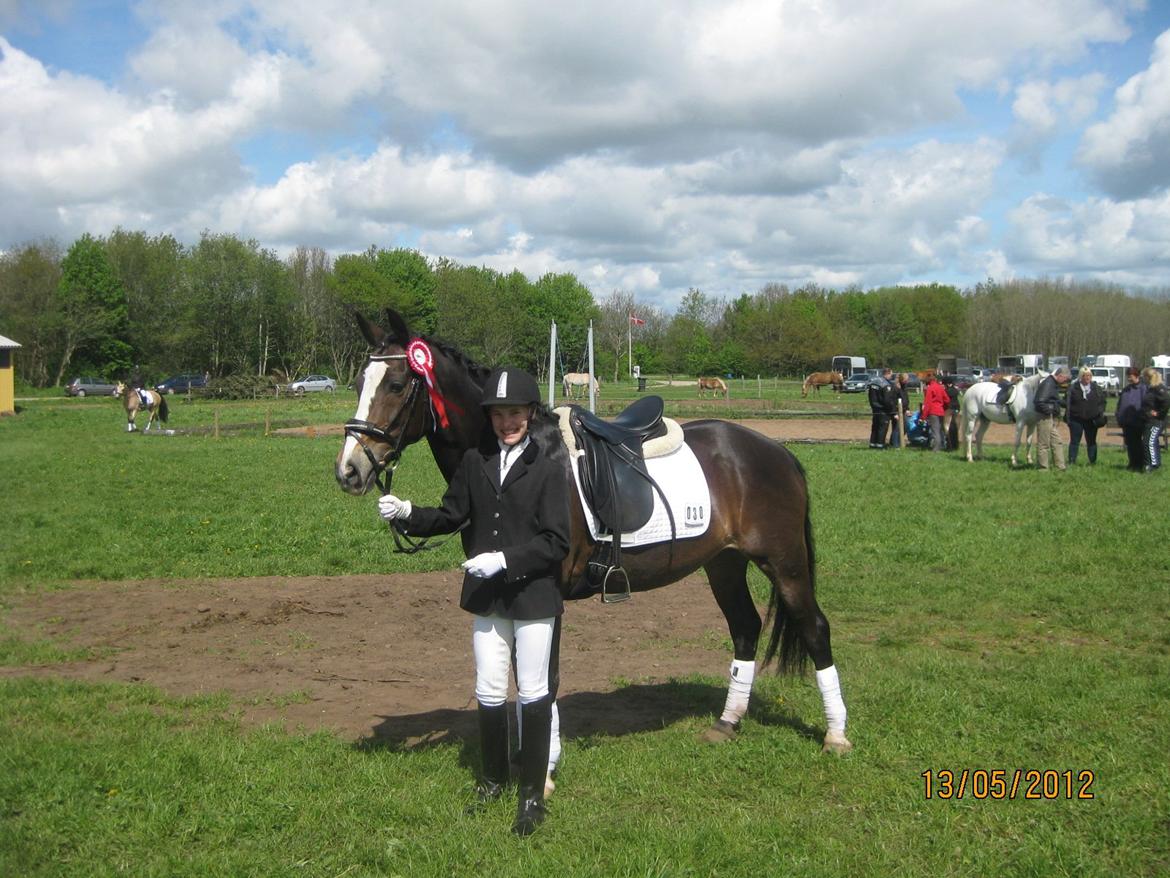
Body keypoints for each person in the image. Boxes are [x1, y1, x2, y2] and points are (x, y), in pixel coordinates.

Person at [377, 366, 571, 836]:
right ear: (490, 417)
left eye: (516, 413)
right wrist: (407, 514)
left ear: (530, 414)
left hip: (532, 597)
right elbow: (451, 515)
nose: (507, 422)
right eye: (499, 414)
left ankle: (531, 798)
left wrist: (504, 560)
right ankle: (491, 782)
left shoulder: (547, 467)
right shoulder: (472, 462)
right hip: (486, 597)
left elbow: (556, 541)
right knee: (487, 688)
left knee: (532, 690)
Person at [1066, 367, 1106, 465]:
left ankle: (1092, 462)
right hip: (1076, 420)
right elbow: (1067, 402)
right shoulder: (1073, 388)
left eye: (1089, 375)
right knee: (1074, 442)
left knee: (1091, 442)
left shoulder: (1096, 388)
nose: (1087, 378)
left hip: (1092, 420)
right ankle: (1072, 461)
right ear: (1080, 376)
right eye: (1085, 375)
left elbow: (1103, 402)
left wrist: (1099, 412)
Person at [1033, 366, 1071, 471]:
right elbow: (1039, 401)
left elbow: (1054, 400)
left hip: (1050, 417)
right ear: (1060, 375)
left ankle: (1060, 467)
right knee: (1043, 444)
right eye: (1065, 378)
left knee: (1057, 442)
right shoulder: (1048, 384)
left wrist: (1063, 404)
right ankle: (1043, 468)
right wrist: (1049, 412)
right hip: (1044, 417)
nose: (1065, 381)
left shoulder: (1053, 384)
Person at [1115, 367, 1146, 472]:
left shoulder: (1143, 389)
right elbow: (1120, 404)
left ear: (1136, 376)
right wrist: (1119, 415)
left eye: (1130, 376)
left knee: (1137, 444)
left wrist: (1141, 418)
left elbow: (1145, 405)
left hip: (1137, 422)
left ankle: (1139, 464)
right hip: (1126, 421)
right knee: (1129, 444)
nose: (1129, 378)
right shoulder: (1126, 389)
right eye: (1128, 376)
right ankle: (1132, 463)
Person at [1139, 367, 1168, 473]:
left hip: (1156, 421)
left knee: (1148, 442)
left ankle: (1149, 464)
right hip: (1148, 420)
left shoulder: (1159, 389)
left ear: (1148, 377)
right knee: (1152, 441)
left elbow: (1166, 402)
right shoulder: (1151, 388)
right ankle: (1156, 463)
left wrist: (1158, 413)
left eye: (1144, 377)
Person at [867, 368, 895, 448]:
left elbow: (870, 396)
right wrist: (891, 410)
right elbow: (887, 400)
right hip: (883, 410)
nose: (891, 376)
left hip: (875, 409)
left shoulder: (874, 382)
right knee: (882, 428)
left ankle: (872, 444)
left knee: (875, 427)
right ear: (888, 373)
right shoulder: (885, 384)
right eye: (891, 375)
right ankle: (880, 445)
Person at [922, 373, 949, 451]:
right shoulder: (940, 388)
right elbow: (947, 400)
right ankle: (942, 445)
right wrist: (944, 408)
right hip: (941, 411)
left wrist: (923, 416)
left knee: (935, 431)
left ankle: (936, 449)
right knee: (940, 430)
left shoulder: (930, 389)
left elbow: (927, 403)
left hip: (933, 412)